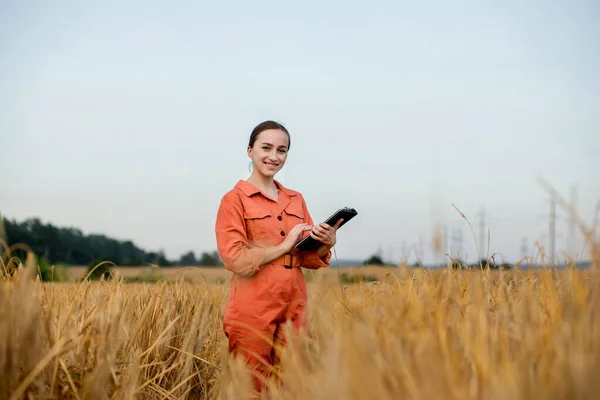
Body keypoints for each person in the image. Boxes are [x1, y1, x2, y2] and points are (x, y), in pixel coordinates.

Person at [215, 120, 343, 397]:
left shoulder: (295, 199)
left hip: (294, 303)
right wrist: (285, 245)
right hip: (252, 304)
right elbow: (235, 259)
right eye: (266, 148)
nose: (274, 156)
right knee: (251, 386)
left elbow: (307, 258)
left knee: (290, 385)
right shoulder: (234, 200)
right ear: (250, 151)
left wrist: (325, 243)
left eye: (281, 150)